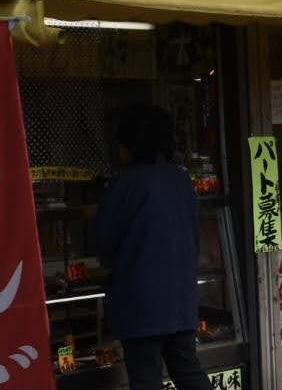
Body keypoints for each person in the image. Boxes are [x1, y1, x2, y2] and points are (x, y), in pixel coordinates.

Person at [92, 104, 213, 390]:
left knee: (146, 378)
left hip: (140, 302)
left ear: (131, 144)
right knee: (187, 369)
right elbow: (193, 237)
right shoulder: (181, 179)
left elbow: (102, 243)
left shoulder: (126, 183)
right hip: (181, 298)